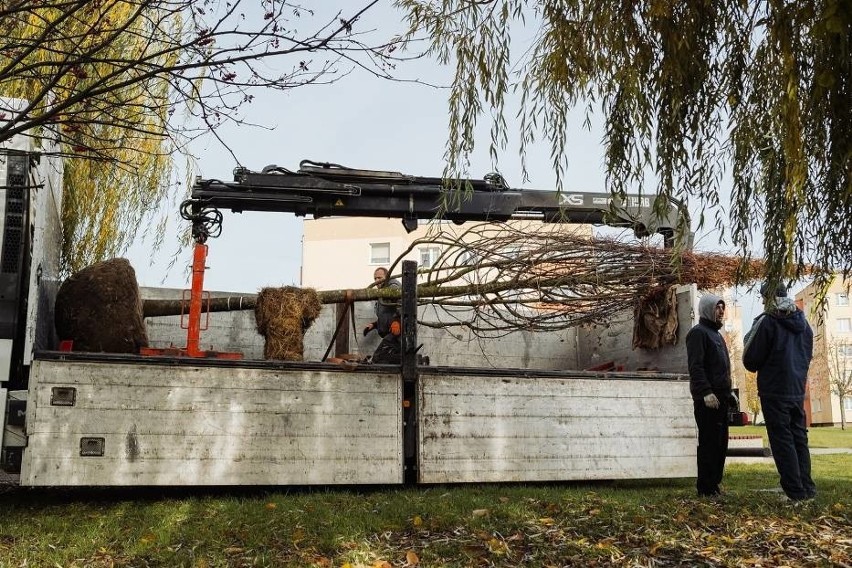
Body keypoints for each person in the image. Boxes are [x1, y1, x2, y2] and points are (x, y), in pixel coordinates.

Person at [743, 281, 816, 502]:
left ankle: (794, 492)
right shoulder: (803, 322)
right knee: (798, 438)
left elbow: (751, 359)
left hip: (774, 389)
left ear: (768, 297)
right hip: (796, 389)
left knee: (782, 440)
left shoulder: (768, 321)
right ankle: (806, 488)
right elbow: (807, 354)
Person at [686, 292, 732, 497]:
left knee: (721, 443)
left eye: (722, 307)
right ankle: (705, 487)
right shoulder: (698, 333)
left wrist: (729, 392)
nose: (721, 311)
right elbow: (696, 367)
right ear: (707, 309)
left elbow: (722, 368)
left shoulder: (717, 335)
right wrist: (705, 392)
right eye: (717, 307)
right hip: (707, 400)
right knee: (709, 443)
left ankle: (714, 485)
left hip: (721, 398)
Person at [363, 267, 402, 364]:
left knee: (378, 358)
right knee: (388, 360)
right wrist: (375, 325)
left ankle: (417, 360)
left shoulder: (393, 286)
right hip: (391, 333)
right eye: (375, 279)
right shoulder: (382, 291)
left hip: (397, 334)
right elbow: (387, 314)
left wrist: (397, 320)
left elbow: (402, 302)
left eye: (379, 278)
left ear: (387, 277)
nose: (376, 281)